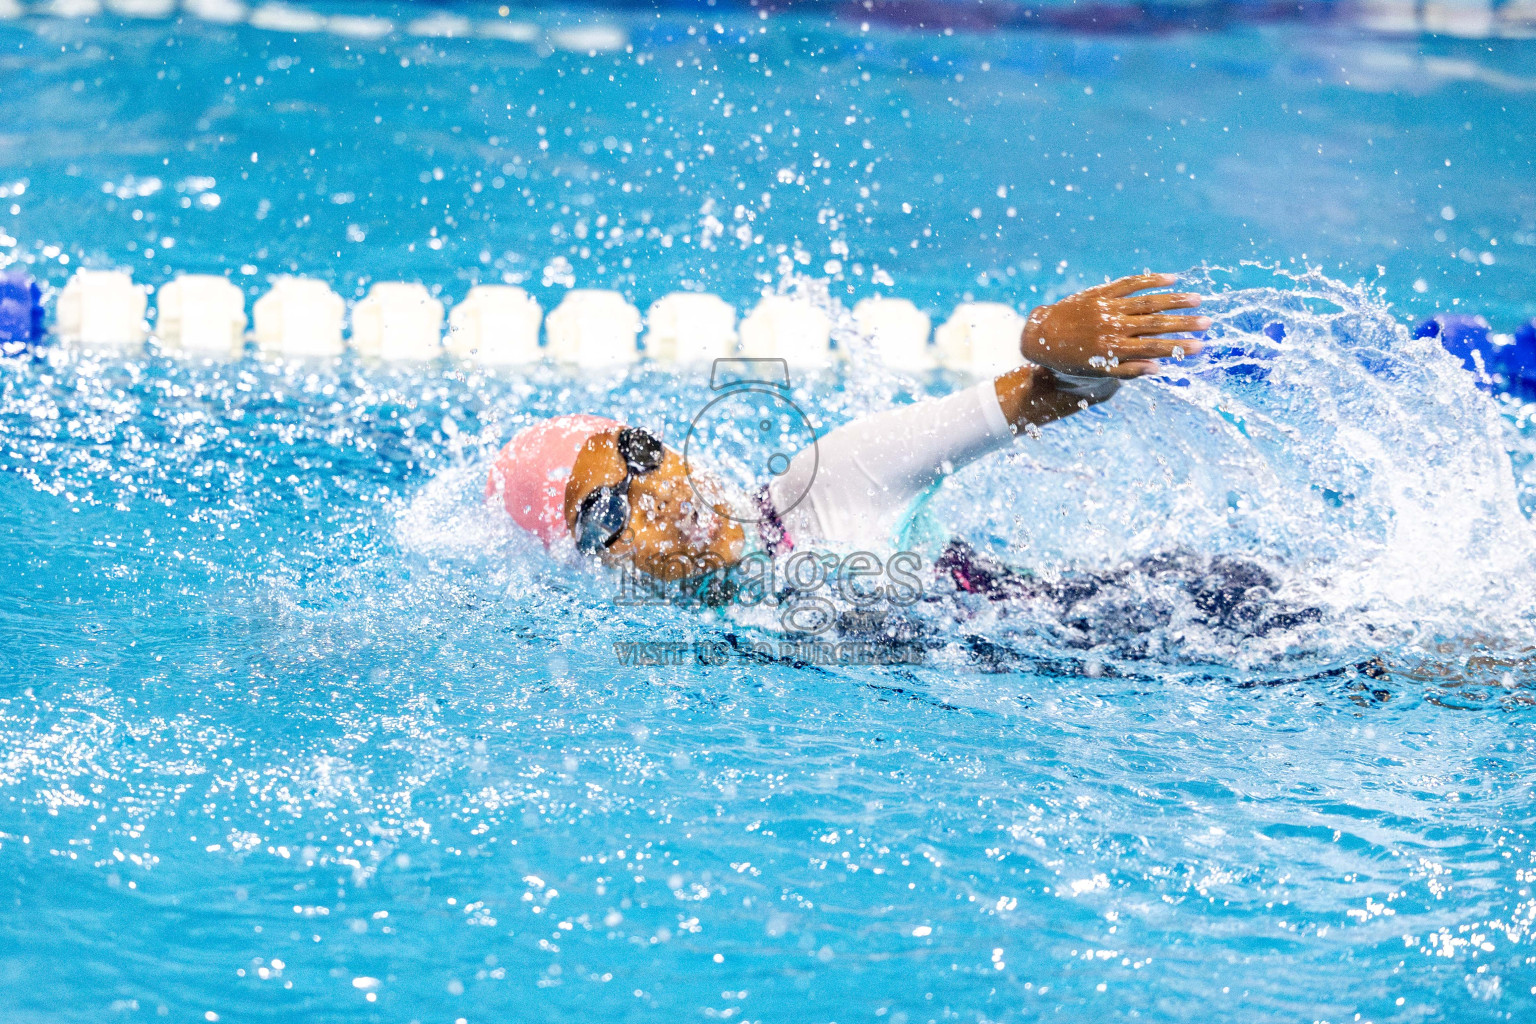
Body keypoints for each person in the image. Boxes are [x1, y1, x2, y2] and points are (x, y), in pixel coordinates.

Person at [487, 273, 1208, 585]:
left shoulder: (828, 481)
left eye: (640, 454)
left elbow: (1053, 394)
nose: (656, 496)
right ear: (582, 561)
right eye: (607, 512)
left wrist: (1053, 342)